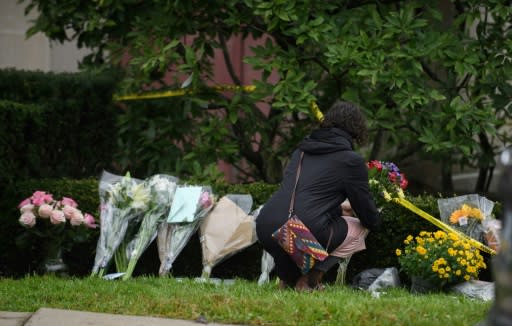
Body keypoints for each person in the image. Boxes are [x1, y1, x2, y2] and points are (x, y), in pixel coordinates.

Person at [255, 100, 381, 291]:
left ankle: (287, 280)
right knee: (359, 229)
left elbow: (303, 198)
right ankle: (309, 280)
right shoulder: (350, 160)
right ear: (356, 130)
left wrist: (339, 209)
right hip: (300, 229)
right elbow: (367, 214)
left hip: (266, 225)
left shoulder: (301, 151)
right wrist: (377, 221)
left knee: (296, 231)